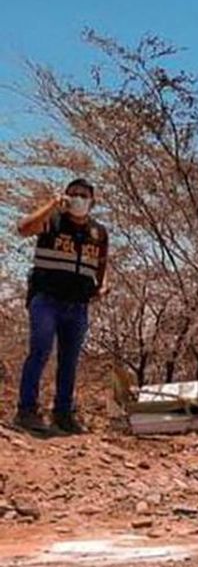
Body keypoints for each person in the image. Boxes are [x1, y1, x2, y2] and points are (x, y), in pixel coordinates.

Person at [13, 179, 110, 435]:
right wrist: (52, 205)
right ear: (66, 197)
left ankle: (63, 414)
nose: (78, 199)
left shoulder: (98, 232)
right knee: (40, 351)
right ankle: (26, 410)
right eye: (74, 194)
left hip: (78, 304)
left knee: (70, 360)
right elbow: (23, 228)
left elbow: (102, 261)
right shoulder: (52, 221)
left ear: (92, 201)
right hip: (46, 299)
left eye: (84, 195)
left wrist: (101, 285)